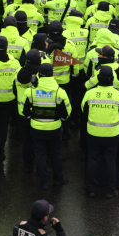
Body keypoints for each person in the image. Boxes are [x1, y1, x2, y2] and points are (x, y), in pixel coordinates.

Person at [22, 61, 71, 189]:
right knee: (55, 153)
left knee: (40, 154)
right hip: (54, 129)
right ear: (52, 74)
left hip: (36, 128)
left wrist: (31, 119)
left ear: (38, 75)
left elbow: (25, 111)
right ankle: (58, 178)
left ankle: (44, 181)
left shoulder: (30, 91)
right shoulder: (60, 92)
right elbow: (67, 113)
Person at [81, 65, 119, 198]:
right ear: (112, 79)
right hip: (112, 135)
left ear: (98, 78)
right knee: (111, 163)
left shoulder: (89, 93)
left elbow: (84, 111)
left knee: (92, 162)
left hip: (93, 134)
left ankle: (91, 189)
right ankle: (110, 190)